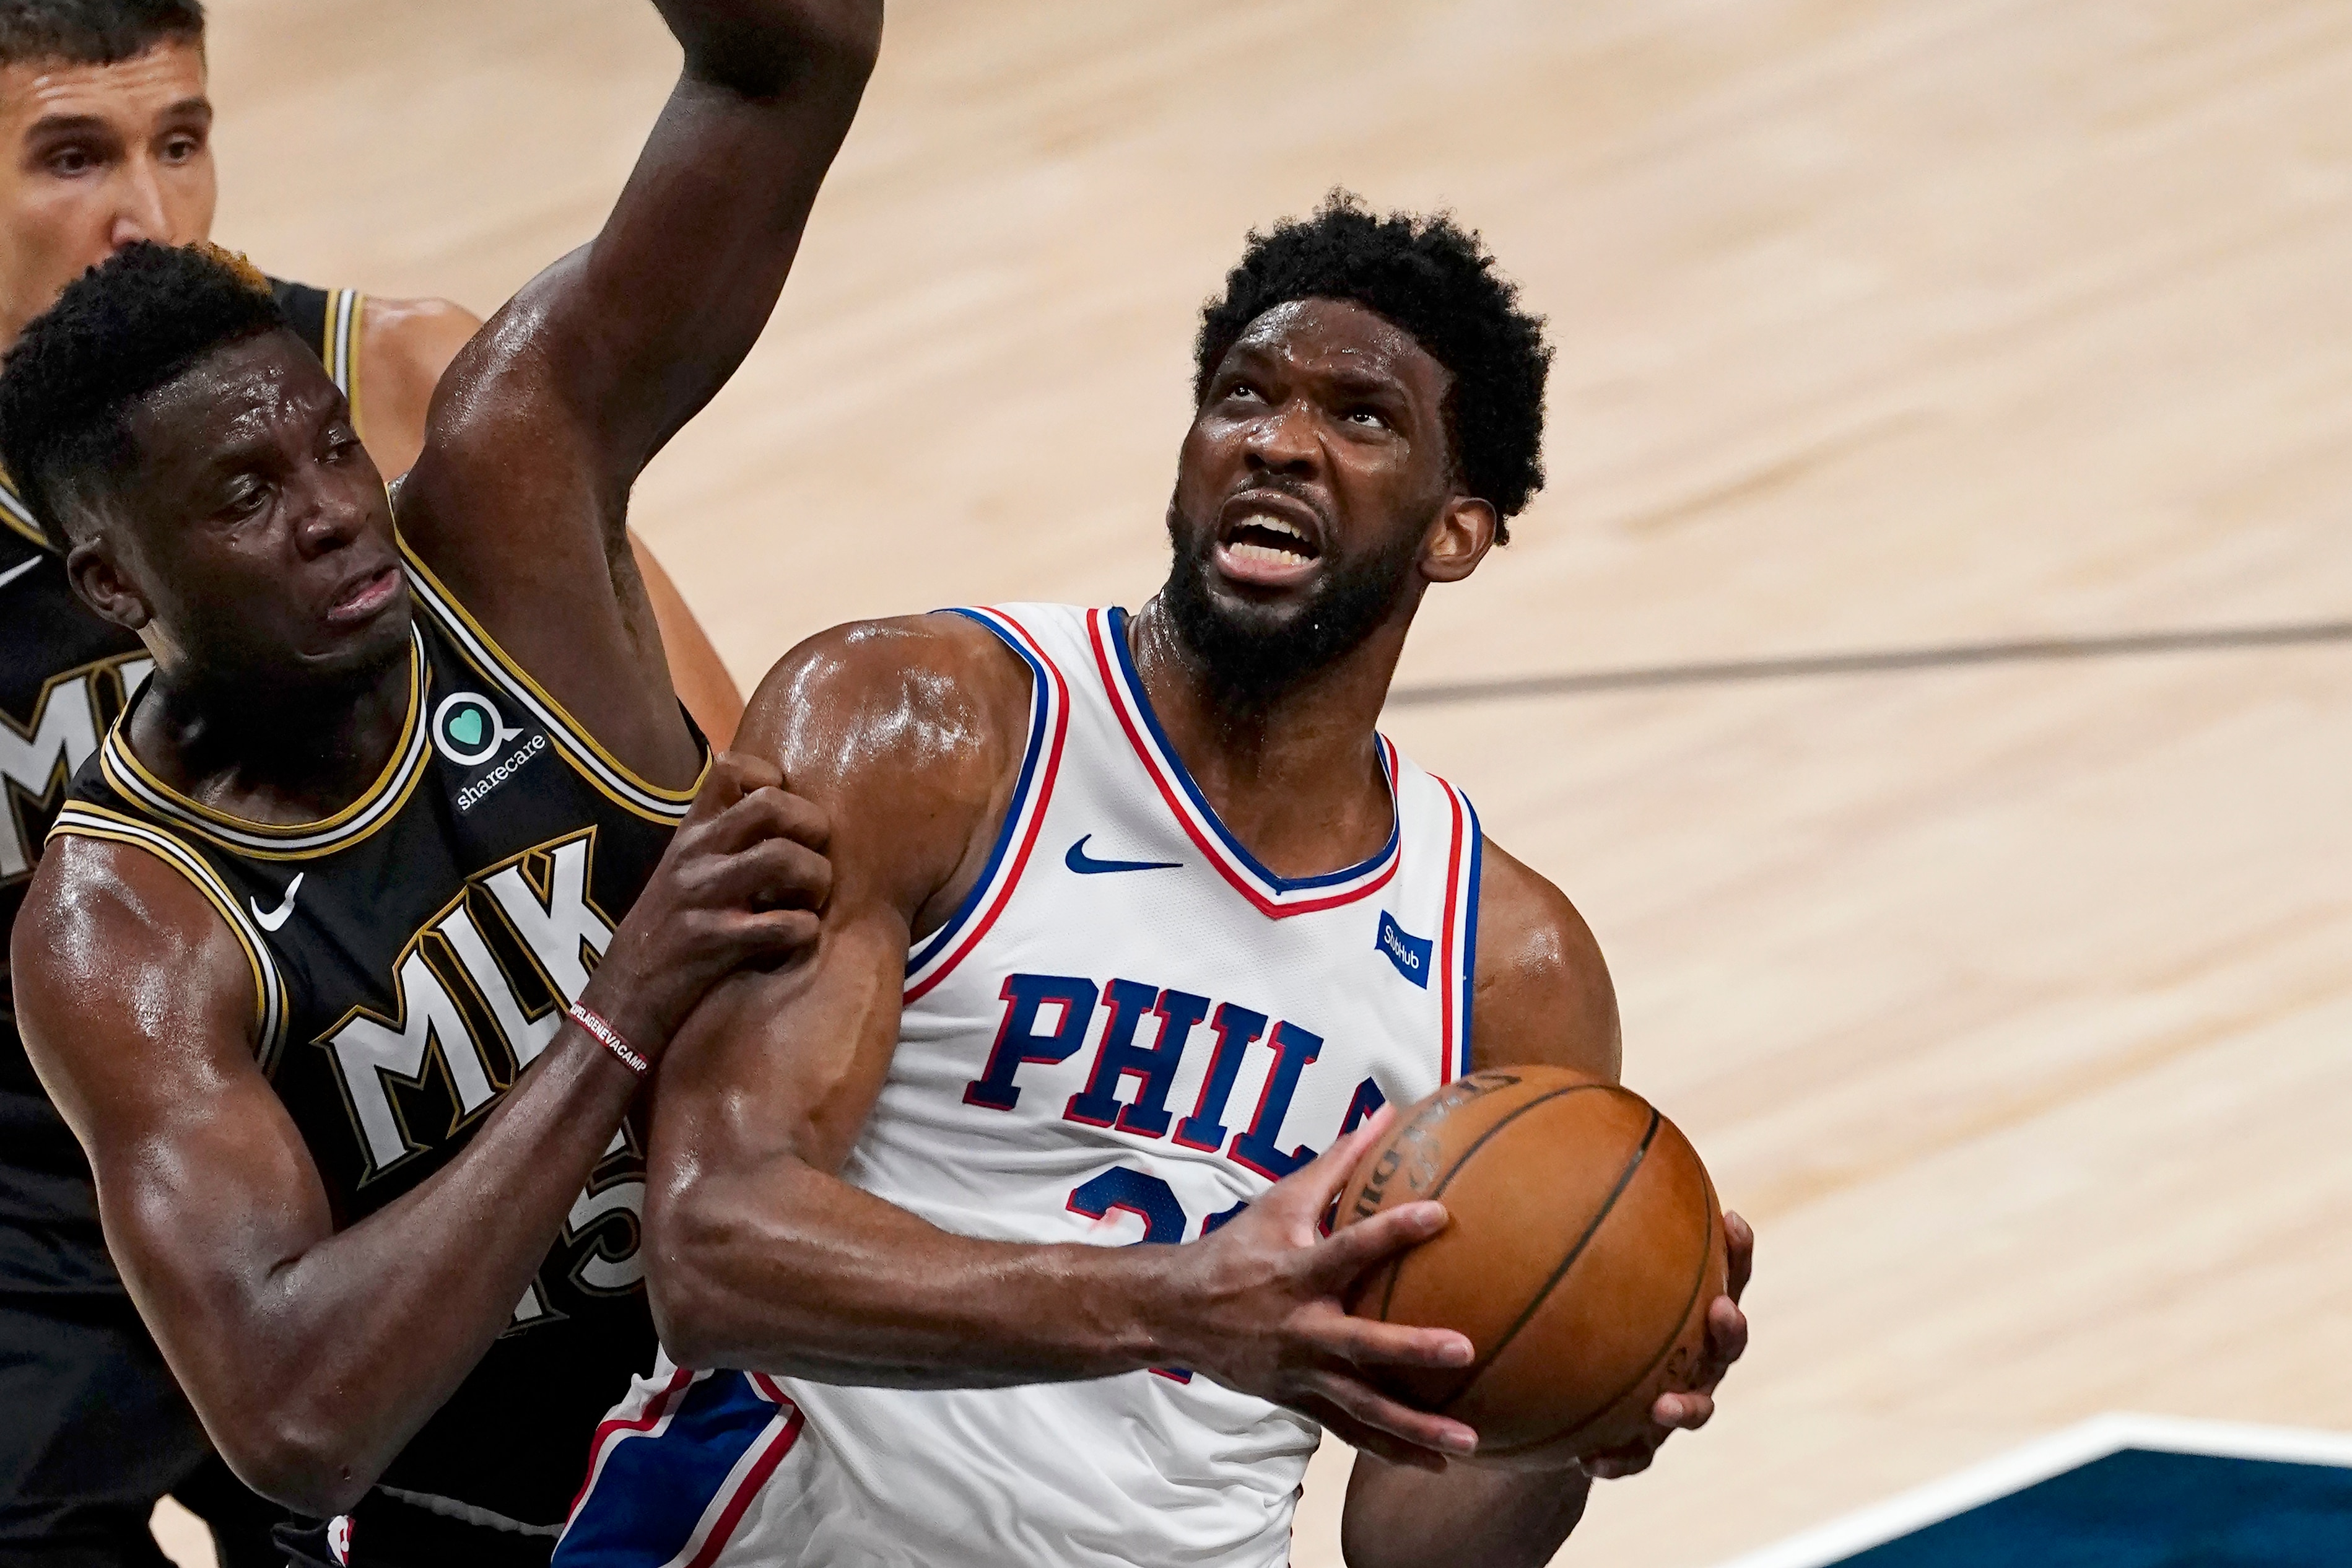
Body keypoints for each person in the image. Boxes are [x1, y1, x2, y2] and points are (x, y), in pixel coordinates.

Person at [561, 195, 1754, 1568]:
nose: (1279, 440)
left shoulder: (1511, 965)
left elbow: (1409, 1534)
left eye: (1361, 418)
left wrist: (1571, 1418)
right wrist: (1175, 1303)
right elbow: (716, 1246)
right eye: (1242, 396)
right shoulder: (925, 726)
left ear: (1456, 533)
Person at [1, 0, 879, 1561]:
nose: (340, 512)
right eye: (252, 496)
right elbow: (301, 1422)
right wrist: (625, 1006)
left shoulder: (493, 501)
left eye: (338, 455)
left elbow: (786, 66)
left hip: (786, 1387)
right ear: (110, 586)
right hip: (455, 1468)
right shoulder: (115, 927)